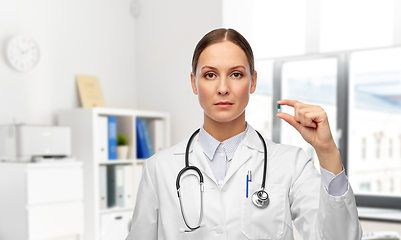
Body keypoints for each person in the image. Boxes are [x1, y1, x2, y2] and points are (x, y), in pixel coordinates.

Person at [126, 28, 362, 240]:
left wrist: (327, 151)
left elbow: (341, 237)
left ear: (253, 81)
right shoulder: (159, 169)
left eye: (236, 74)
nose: (223, 88)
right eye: (210, 75)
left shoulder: (291, 164)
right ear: (194, 82)